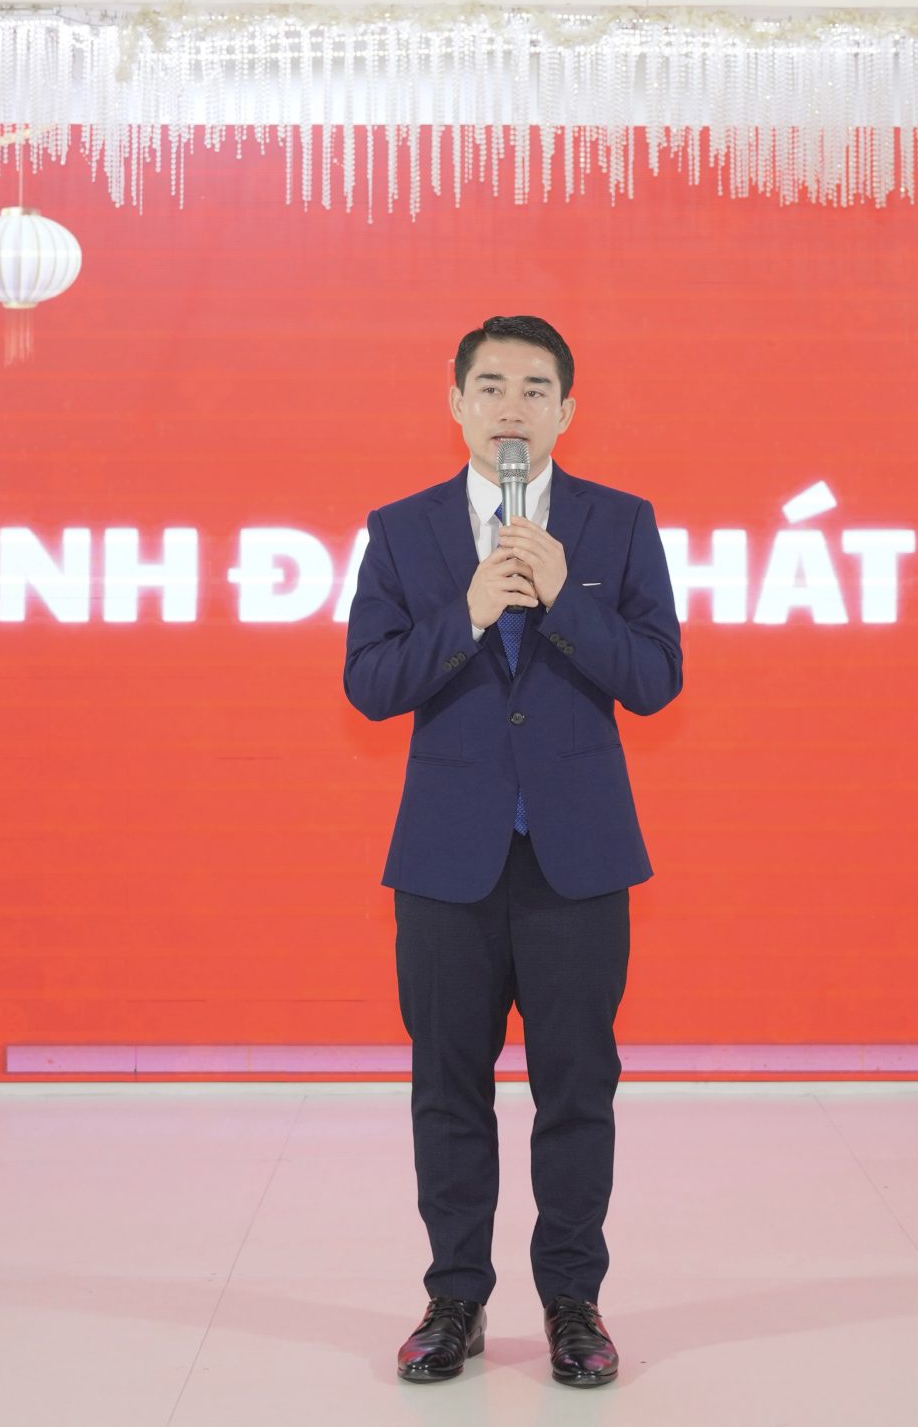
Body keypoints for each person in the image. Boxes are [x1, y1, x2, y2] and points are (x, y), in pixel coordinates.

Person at [342, 315, 683, 1388]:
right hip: (447, 861)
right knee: (448, 1088)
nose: (511, 407)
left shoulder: (618, 524)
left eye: (536, 388)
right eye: (490, 385)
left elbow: (657, 677)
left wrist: (565, 599)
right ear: (455, 403)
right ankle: (454, 1298)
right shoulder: (402, 531)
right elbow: (370, 683)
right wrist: (468, 612)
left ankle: (574, 1304)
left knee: (577, 1088)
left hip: (577, 860)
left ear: (567, 410)